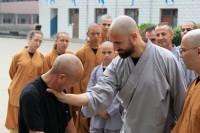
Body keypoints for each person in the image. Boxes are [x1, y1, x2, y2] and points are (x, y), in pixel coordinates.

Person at [47, 15, 186, 133]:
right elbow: (99, 92)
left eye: (118, 43)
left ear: (133, 37)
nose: (114, 49)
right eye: (112, 43)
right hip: (129, 128)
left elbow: (181, 103)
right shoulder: (118, 63)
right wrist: (65, 97)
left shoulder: (166, 59)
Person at [18, 54, 82, 133]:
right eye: (74, 82)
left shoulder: (60, 92)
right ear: (61, 77)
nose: (74, 85)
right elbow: (36, 131)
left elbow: (68, 123)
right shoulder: (31, 95)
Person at [5, 30, 44, 133]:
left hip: (32, 94)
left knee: (30, 120)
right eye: (36, 40)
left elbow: (41, 75)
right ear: (29, 39)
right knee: (15, 122)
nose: (38, 43)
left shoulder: (41, 57)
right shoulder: (18, 55)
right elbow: (12, 73)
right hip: (17, 92)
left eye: (40, 41)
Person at [87, 41, 123, 133]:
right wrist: (98, 108)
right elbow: (90, 91)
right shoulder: (95, 71)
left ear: (115, 52)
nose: (106, 55)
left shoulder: (121, 70)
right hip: (97, 116)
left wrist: (110, 110)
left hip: (114, 117)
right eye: (104, 52)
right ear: (100, 53)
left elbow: (122, 94)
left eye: (109, 52)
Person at [75, 23, 102, 133]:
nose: (95, 36)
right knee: (84, 122)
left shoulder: (104, 51)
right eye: (93, 34)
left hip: (101, 92)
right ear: (87, 34)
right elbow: (76, 76)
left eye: (98, 33)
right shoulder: (81, 52)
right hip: (85, 91)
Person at [171, 29, 200, 133]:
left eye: (183, 50)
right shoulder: (195, 82)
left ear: (198, 51)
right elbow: (183, 121)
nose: (180, 55)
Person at [155, 22, 193, 86]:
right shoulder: (153, 56)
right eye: (157, 35)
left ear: (172, 35)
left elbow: (190, 81)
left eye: (163, 34)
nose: (160, 38)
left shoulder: (183, 56)